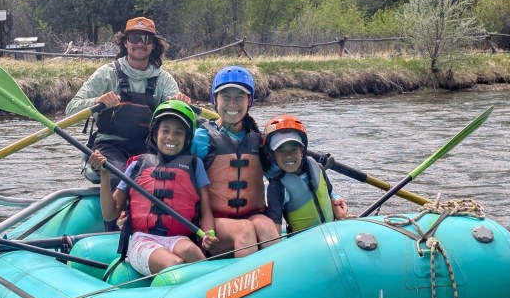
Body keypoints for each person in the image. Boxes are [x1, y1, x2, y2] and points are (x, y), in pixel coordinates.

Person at [88, 100, 218, 275]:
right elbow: (110, 214)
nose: (171, 137)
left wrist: (208, 234)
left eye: (178, 133)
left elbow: (205, 210)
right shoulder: (138, 165)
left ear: (187, 139)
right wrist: (104, 174)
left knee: (193, 252)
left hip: (178, 238)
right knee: (175, 263)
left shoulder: (195, 165)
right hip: (142, 239)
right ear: (155, 133)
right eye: (165, 131)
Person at [67, 16, 191, 190]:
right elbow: (71, 109)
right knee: (122, 179)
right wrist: (97, 101)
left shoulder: (164, 79)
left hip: (150, 146)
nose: (140, 43)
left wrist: (179, 104)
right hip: (109, 147)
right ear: (125, 43)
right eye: (134, 38)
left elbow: (181, 116)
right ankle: (117, 212)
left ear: (153, 45)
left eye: (146, 39)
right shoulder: (106, 74)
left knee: (164, 175)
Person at [191, 66, 279, 257]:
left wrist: (333, 196)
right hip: (213, 224)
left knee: (266, 226)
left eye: (239, 97)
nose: (233, 104)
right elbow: (180, 177)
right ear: (215, 100)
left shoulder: (259, 141)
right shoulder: (201, 138)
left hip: (252, 214)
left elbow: (286, 175)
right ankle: (248, 286)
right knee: (245, 229)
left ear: (250, 101)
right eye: (226, 96)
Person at [262, 114, 350, 234]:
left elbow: (329, 196)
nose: (288, 155)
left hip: (333, 231)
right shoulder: (277, 187)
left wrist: (340, 214)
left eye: (293, 149)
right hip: (305, 244)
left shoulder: (318, 169)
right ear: (272, 155)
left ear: (302, 150)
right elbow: (275, 226)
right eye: (281, 150)